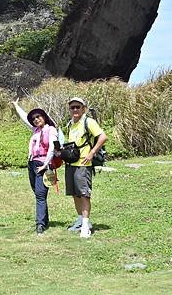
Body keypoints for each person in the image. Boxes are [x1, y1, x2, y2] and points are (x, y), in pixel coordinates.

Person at [13, 99, 58, 235]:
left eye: (38, 117)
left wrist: (45, 165)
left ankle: (40, 224)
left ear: (44, 117)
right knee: (38, 193)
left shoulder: (51, 130)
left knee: (40, 194)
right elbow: (24, 118)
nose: (36, 120)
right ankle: (44, 219)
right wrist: (16, 106)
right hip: (33, 164)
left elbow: (52, 148)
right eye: (34, 118)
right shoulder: (35, 130)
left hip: (44, 165)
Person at [64, 97, 107, 238]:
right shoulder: (70, 124)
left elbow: (103, 137)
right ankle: (80, 220)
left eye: (78, 107)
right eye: (72, 107)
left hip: (83, 164)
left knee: (84, 194)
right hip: (71, 164)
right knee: (75, 194)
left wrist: (92, 153)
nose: (75, 110)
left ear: (84, 108)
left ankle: (86, 225)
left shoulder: (89, 122)